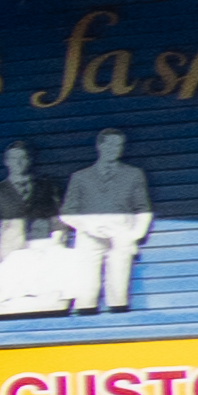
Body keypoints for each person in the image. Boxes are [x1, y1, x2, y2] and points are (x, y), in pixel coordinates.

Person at [66, 129, 156, 307]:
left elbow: (143, 209)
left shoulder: (133, 174)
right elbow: (67, 212)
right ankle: (86, 320)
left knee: (118, 288)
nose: (114, 149)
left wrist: (133, 235)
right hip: (89, 239)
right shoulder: (80, 177)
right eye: (110, 145)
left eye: (118, 145)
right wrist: (88, 226)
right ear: (99, 146)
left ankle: (119, 318)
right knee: (87, 289)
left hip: (120, 237)